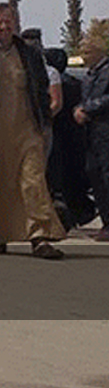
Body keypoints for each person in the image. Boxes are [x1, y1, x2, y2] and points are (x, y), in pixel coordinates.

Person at [0, 3, 65, 258]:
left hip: (28, 128)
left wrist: (44, 123)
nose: (5, 27)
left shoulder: (29, 54)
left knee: (33, 182)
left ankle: (40, 237)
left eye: (8, 21)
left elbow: (41, 90)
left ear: (15, 22)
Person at [45, 46, 95, 229]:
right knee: (73, 180)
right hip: (77, 138)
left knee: (57, 181)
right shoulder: (77, 83)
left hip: (57, 138)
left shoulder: (51, 83)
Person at [72, 36, 109, 242]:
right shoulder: (89, 75)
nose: (84, 57)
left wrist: (89, 108)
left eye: (86, 52)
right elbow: (83, 99)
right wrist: (78, 109)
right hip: (91, 134)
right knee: (94, 175)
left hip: (105, 132)